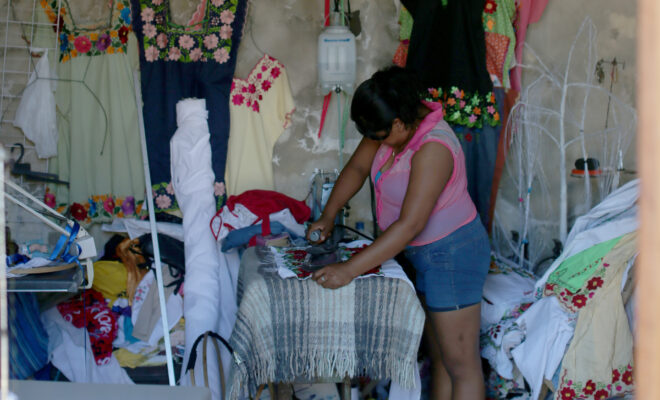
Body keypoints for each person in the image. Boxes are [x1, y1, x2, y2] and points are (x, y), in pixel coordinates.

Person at [307, 66, 490, 400]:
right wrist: (328, 215)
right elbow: (359, 168)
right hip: (425, 254)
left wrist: (349, 269)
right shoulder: (393, 123)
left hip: (452, 255)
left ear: (397, 123)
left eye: (379, 136)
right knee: (441, 359)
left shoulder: (433, 148)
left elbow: (410, 225)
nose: (375, 143)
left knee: (461, 366)